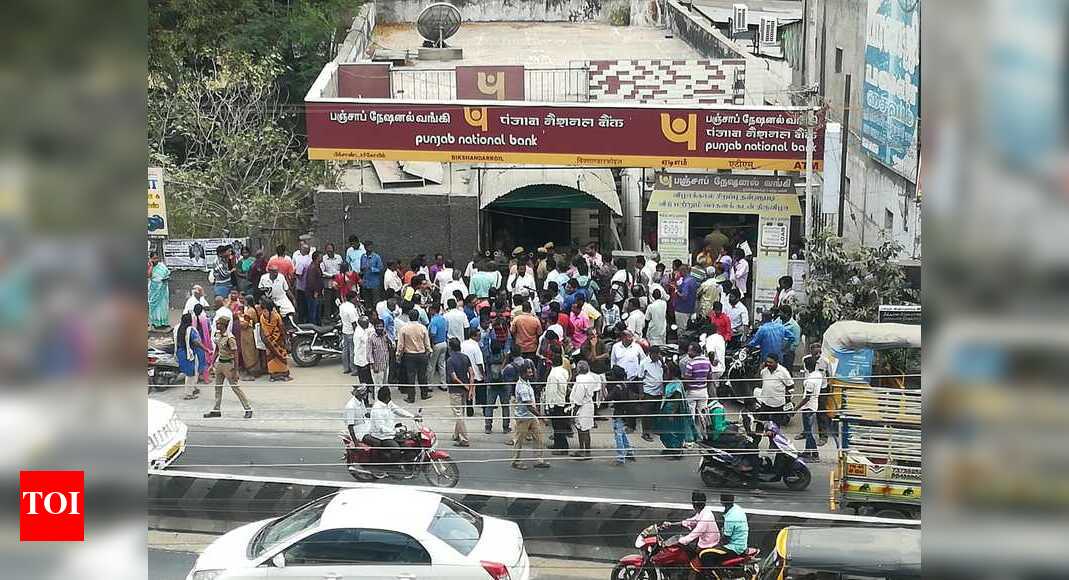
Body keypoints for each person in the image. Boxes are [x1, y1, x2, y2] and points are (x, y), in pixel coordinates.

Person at [204, 315, 253, 419]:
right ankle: (216, 409)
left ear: (224, 325)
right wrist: (212, 364)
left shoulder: (230, 338)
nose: (217, 325)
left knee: (235, 388)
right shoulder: (217, 334)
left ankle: (248, 408)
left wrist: (235, 370)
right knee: (217, 388)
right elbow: (217, 350)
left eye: (219, 324)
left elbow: (235, 354)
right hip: (220, 363)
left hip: (228, 364)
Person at [512, 362, 551, 470]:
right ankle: (516, 461)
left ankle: (539, 459)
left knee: (539, 438)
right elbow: (529, 406)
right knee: (519, 440)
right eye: (529, 372)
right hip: (523, 417)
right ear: (523, 373)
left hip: (531, 416)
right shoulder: (522, 387)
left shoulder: (527, 383)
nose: (531, 374)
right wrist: (542, 417)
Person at [367, 386, 416, 470]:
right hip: (382, 436)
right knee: (396, 449)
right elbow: (381, 428)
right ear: (388, 397)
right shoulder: (377, 410)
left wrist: (413, 416)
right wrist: (395, 433)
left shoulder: (388, 403)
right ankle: (391, 468)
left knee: (409, 441)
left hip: (391, 432)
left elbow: (398, 410)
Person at [698, 494, 749, 570]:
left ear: (721, 501)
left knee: (705, 555)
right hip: (741, 542)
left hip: (734, 548)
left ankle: (712, 574)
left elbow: (725, 540)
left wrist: (714, 546)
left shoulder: (730, 519)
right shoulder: (737, 508)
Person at [755, 354, 793, 443]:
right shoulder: (764, 371)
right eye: (767, 361)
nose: (768, 364)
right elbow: (757, 379)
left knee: (775, 427)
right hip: (765, 403)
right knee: (760, 424)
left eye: (771, 362)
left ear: (776, 362)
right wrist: (760, 368)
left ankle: (773, 444)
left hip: (778, 404)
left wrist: (788, 400)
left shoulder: (783, 372)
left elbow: (790, 386)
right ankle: (755, 442)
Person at [397, 309, 433, 403]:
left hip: (409, 355)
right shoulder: (423, 328)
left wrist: (398, 355)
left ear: (409, 317)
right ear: (418, 317)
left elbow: (401, 345)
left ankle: (411, 397)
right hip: (421, 354)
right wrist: (429, 351)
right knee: (422, 375)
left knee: (410, 376)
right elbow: (427, 342)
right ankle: (424, 394)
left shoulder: (404, 328)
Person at [603, 366, 637, 465]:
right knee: (622, 433)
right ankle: (629, 452)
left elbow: (607, 398)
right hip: (625, 413)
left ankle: (620, 458)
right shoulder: (625, 385)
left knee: (618, 435)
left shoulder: (617, 388)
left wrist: (604, 390)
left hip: (619, 413)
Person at [445, 337, 475, 447]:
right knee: (460, 412)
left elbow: (453, 377)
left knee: (458, 414)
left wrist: (466, 386)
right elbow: (472, 374)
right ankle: (456, 434)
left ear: (450, 347)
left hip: (455, 390)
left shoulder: (450, 360)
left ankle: (464, 439)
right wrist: (470, 388)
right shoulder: (465, 357)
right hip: (464, 391)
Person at [675, 491, 721, 555]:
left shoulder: (705, 519)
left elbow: (693, 534)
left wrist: (679, 541)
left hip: (707, 545)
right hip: (712, 541)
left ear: (694, 505)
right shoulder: (706, 511)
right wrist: (672, 524)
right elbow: (692, 521)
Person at [544, 347, 571, 453]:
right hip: (562, 400)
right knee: (559, 425)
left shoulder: (553, 375)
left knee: (557, 426)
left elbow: (552, 392)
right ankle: (557, 444)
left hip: (555, 403)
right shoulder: (563, 371)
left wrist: (549, 406)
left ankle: (563, 447)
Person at [683, 342, 712, 441]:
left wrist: (687, 389)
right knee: (703, 415)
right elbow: (710, 377)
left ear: (695, 351)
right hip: (703, 391)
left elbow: (686, 379)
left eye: (690, 350)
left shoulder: (690, 363)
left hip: (692, 392)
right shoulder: (707, 361)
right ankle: (703, 436)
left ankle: (690, 437)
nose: (688, 352)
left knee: (690, 415)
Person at [569, 361, 598, 460]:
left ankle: (586, 452)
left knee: (583, 430)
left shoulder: (581, 381)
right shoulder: (590, 378)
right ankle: (583, 450)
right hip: (588, 405)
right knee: (583, 429)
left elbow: (578, 400)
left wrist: (573, 413)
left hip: (582, 407)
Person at [798, 356, 825, 460]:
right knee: (809, 430)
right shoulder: (817, 375)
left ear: (805, 366)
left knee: (808, 432)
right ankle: (807, 451)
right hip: (814, 405)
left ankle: (814, 454)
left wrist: (796, 409)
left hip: (808, 407)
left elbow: (807, 398)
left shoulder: (810, 380)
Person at [258, 299, 291, 381]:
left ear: (270, 310)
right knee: (270, 358)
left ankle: (284, 374)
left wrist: (285, 340)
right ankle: (273, 375)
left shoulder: (276, 316)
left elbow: (282, 328)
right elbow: (262, 331)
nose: (264, 313)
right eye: (263, 311)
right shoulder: (262, 318)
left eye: (266, 311)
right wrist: (265, 340)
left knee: (281, 357)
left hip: (279, 340)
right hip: (268, 341)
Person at [174, 313, 204, 400]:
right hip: (189, 353)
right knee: (190, 374)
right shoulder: (190, 329)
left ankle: (192, 388)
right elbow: (196, 342)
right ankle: (188, 394)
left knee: (191, 372)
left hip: (180, 352)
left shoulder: (177, 328)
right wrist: (205, 349)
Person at [638, 346, 665, 441]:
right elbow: (640, 378)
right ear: (651, 354)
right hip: (648, 391)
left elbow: (665, 372)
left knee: (656, 412)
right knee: (647, 414)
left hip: (659, 391)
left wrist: (663, 363)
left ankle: (654, 429)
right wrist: (641, 394)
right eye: (656, 355)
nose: (657, 356)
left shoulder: (660, 362)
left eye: (658, 354)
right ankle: (645, 433)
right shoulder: (644, 363)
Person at [461, 327, 486, 415]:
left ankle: (469, 410)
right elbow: (479, 363)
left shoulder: (463, 344)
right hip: (476, 373)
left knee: (469, 391)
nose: (480, 337)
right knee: (481, 391)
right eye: (478, 335)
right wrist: (483, 374)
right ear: (473, 336)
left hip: (465, 372)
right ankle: (484, 409)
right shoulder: (475, 347)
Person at [238, 294, 262, 378]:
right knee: (251, 351)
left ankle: (252, 371)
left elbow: (245, 324)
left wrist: (239, 317)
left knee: (249, 352)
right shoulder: (251, 309)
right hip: (249, 333)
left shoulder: (250, 311)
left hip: (248, 333)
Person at [426, 303, 450, 388]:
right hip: (444, 343)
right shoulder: (443, 319)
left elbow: (433, 333)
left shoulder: (434, 321)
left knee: (432, 364)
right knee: (442, 364)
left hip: (436, 344)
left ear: (433, 310)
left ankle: (429, 385)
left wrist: (429, 340)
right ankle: (444, 384)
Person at [147, 252, 171, 330]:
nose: (156, 260)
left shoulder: (162, 266)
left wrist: (166, 279)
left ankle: (164, 322)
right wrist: (151, 266)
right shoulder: (149, 265)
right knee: (155, 306)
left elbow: (167, 273)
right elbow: (148, 276)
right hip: (154, 289)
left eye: (157, 258)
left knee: (163, 306)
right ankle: (156, 323)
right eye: (154, 258)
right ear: (150, 259)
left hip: (163, 289)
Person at [193, 303, 215, 384]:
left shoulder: (193, 319)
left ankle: (198, 377)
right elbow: (209, 330)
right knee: (205, 361)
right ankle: (206, 379)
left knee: (197, 361)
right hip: (204, 342)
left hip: (195, 342)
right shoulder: (205, 319)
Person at [344, 384, 371, 449]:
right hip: (358, 431)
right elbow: (350, 427)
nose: (366, 394)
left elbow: (366, 414)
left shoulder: (361, 401)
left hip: (365, 426)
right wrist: (356, 443)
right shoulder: (351, 407)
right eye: (365, 393)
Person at [339, 290, 360, 376]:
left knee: (345, 350)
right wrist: (357, 333)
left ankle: (346, 368)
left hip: (345, 330)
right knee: (353, 351)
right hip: (351, 331)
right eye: (356, 298)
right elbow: (354, 323)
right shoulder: (351, 309)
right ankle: (354, 369)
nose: (357, 299)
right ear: (352, 298)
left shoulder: (342, 306)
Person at [674, 265, 699, 334]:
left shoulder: (686, 282)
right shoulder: (693, 280)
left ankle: (681, 344)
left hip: (682, 310)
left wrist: (677, 291)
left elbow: (684, 296)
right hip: (690, 308)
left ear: (683, 271)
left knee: (681, 330)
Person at [360, 240, 384, 305]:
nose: (368, 248)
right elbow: (361, 269)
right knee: (367, 302)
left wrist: (371, 268)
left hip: (374, 284)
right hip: (365, 284)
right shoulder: (363, 257)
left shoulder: (377, 257)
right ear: (364, 247)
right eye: (367, 246)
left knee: (376, 303)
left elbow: (381, 269)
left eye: (370, 246)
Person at [368, 319, 391, 386]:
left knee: (385, 385)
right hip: (377, 367)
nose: (379, 328)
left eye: (381, 326)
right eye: (377, 326)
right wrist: (373, 365)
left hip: (385, 365)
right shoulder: (371, 337)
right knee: (378, 386)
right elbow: (369, 353)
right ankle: (377, 397)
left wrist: (388, 338)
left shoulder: (385, 335)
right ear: (374, 327)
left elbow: (392, 346)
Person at [304, 251, 324, 325]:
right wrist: (315, 291)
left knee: (317, 311)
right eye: (320, 256)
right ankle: (313, 327)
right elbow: (311, 281)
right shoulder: (312, 267)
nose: (322, 258)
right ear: (317, 258)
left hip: (318, 293)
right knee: (313, 311)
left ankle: (318, 325)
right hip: (313, 294)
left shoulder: (317, 266)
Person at [352, 316, 373, 385]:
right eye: (366, 324)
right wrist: (363, 363)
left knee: (369, 379)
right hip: (362, 361)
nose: (368, 325)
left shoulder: (364, 329)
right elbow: (358, 350)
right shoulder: (359, 334)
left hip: (366, 360)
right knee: (364, 380)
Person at [779, 305, 801, 370]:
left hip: (788, 354)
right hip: (777, 352)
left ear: (786, 314)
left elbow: (796, 342)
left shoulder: (794, 326)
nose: (779, 314)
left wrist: (786, 350)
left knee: (786, 372)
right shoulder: (778, 321)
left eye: (781, 313)